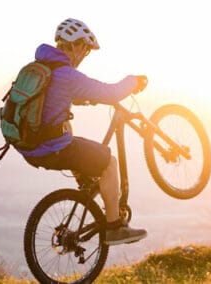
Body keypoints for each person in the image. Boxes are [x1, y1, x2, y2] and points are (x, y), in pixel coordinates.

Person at [18, 18, 148, 245]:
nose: (84, 55)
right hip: (51, 149)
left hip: (28, 146)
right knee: (109, 162)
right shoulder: (68, 75)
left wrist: (84, 100)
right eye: (85, 49)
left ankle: (85, 181)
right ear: (75, 45)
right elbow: (110, 93)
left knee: (68, 131)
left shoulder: (43, 67)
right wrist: (133, 81)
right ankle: (114, 228)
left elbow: (52, 99)